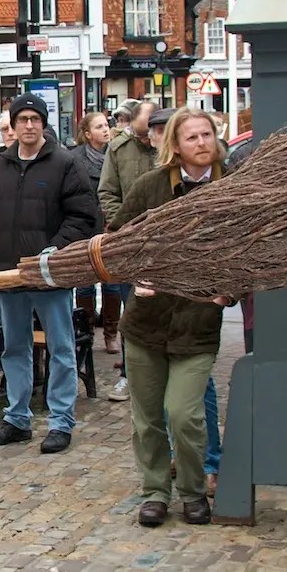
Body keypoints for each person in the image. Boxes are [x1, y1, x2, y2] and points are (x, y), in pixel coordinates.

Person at [109, 108, 227, 527]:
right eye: (192, 137)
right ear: (175, 145)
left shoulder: (232, 188)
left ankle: (193, 491)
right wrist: (133, 275)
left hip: (197, 325)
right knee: (148, 419)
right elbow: (117, 239)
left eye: (206, 134)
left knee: (184, 414)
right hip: (146, 323)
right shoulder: (151, 186)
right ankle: (155, 492)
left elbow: (251, 254)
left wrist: (228, 292)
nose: (201, 143)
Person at [0, 93, 101, 454]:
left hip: (49, 274)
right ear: (13, 125)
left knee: (61, 348)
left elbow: (83, 215)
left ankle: (61, 421)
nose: (29, 125)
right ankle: (17, 418)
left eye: (35, 119)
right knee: (14, 347)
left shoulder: (64, 163)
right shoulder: (0, 165)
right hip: (7, 272)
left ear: (44, 124)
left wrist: (56, 249)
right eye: (23, 119)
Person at [98, 100, 157, 401]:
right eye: (144, 128)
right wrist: (122, 224)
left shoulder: (166, 146)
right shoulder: (118, 149)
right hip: (128, 242)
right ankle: (128, 376)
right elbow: (107, 191)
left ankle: (156, 375)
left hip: (163, 244)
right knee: (130, 309)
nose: (148, 135)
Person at [71, 111, 118, 352]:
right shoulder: (75, 158)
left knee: (112, 282)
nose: (105, 129)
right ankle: (86, 333)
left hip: (110, 226)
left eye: (106, 125)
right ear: (87, 134)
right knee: (85, 283)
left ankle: (111, 333)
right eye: (99, 127)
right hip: (86, 226)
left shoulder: (116, 154)